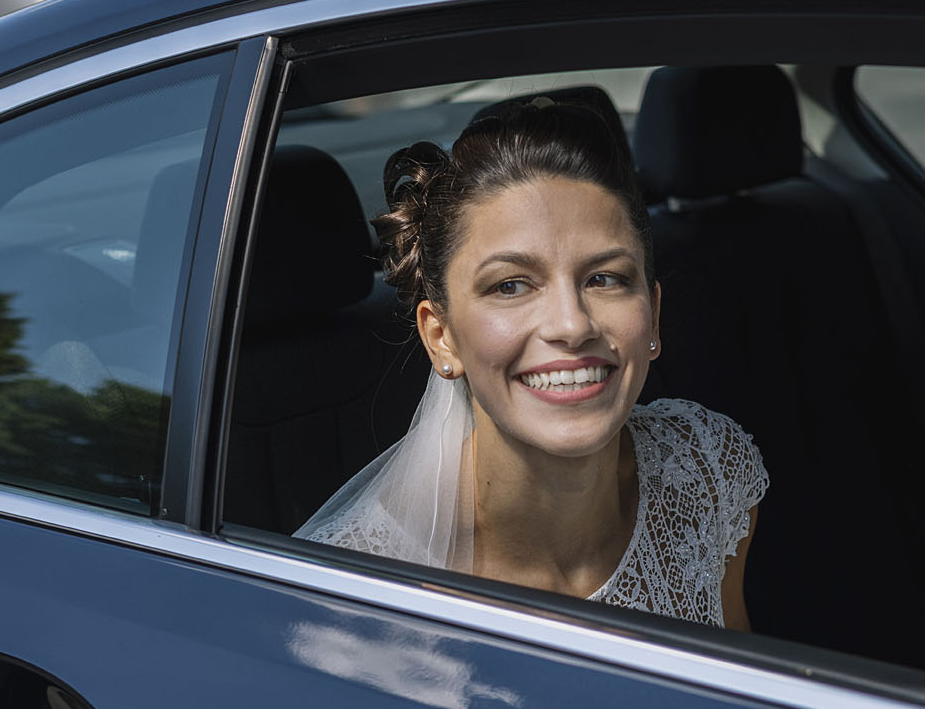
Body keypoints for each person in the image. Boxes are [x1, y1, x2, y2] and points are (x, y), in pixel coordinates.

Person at [297, 95, 766, 630]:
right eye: (511, 286)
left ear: (653, 315)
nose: (572, 325)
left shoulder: (707, 473)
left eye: (604, 278)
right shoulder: (350, 596)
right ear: (441, 337)